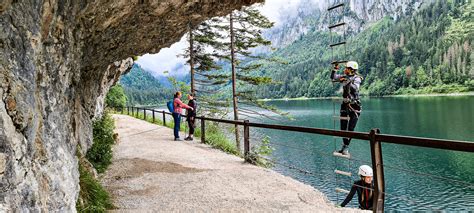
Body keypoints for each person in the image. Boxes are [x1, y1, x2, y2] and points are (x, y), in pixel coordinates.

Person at [331, 61, 363, 155]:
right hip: (345, 104)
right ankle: (344, 146)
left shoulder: (357, 78)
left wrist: (347, 81)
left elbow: (355, 88)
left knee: (350, 129)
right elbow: (333, 77)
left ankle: (346, 147)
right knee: (343, 128)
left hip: (354, 106)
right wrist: (335, 68)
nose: (344, 70)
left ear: (351, 70)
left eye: (346, 68)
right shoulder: (345, 76)